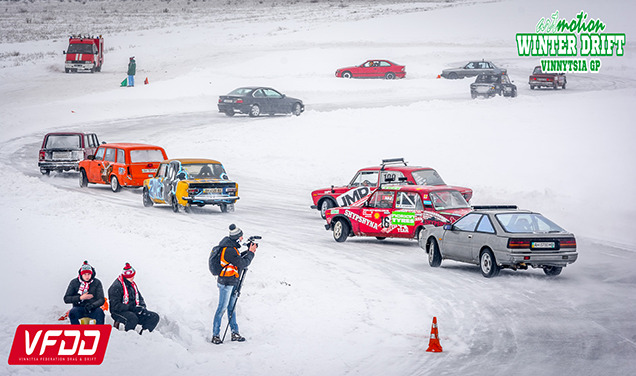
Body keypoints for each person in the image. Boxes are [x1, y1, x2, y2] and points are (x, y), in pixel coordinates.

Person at [211, 224, 257, 344]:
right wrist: (251, 253)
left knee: (231, 309)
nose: (242, 239)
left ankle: (234, 333)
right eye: (241, 237)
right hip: (226, 283)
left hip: (232, 282)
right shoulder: (229, 250)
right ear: (236, 238)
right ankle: (215, 335)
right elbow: (242, 263)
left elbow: (237, 259)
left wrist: (248, 251)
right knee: (222, 308)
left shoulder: (231, 247)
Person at [108, 262, 160, 334]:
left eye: (133, 276)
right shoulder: (116, 287)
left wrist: (142, 307)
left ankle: (144, 335)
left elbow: (140, 298)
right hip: (119, 312)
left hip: (133, 310)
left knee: (154, 317)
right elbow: (115, 306)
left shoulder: (132, 285)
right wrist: (130, 307)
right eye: (131, 276)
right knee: (132, 318)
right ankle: (129, 338)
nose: (133, 278)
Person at [63, 260, 105, 325]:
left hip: (93, 308)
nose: (87, 276)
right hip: (79, 308)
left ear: (92, 274)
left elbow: (101, 299)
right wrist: (80, 298)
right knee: (72, 313)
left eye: (89, 274)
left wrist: (92, 305)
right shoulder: (74, 282)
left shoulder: (97, 282)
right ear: (81, 274)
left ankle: (100, 332)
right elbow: (66, 299)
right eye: (85, 274)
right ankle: (77, 331)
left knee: (100, 313)